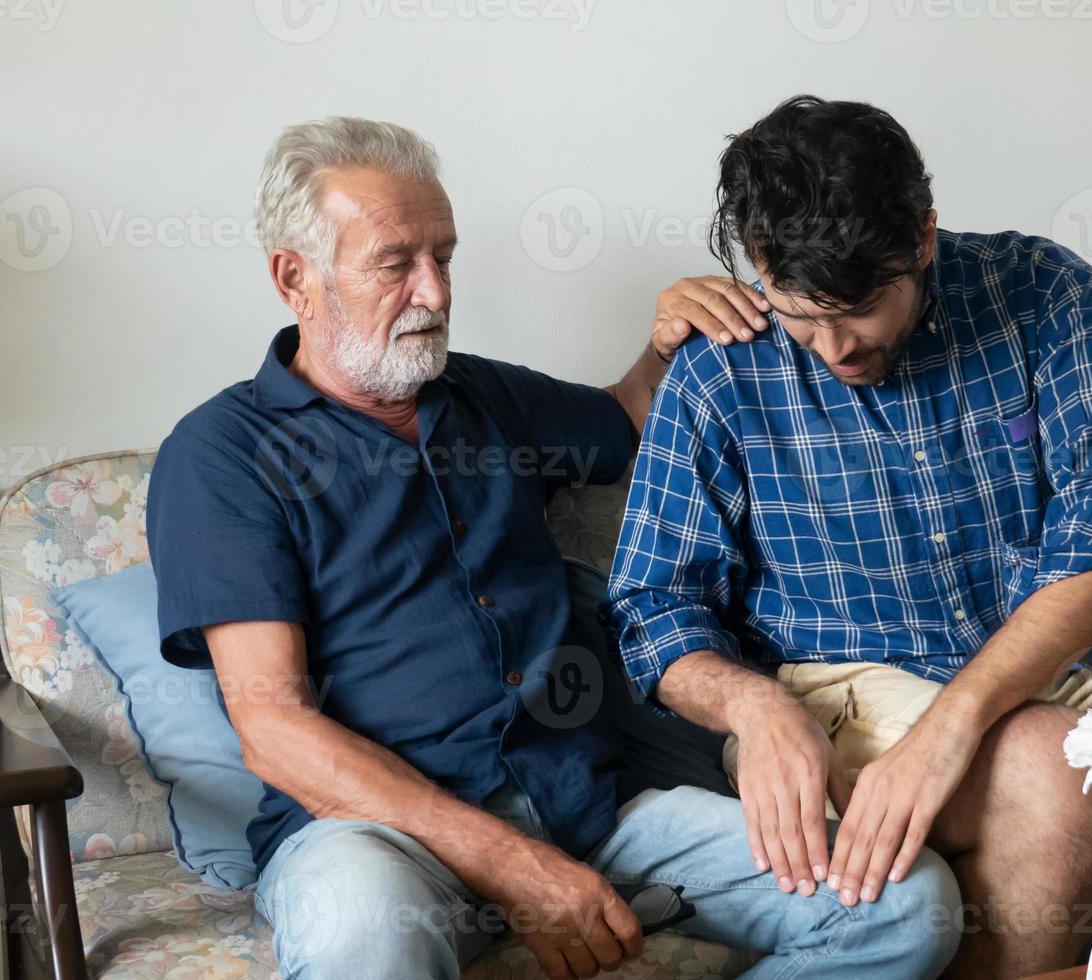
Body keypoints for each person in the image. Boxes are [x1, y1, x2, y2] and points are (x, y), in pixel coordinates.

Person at [147, 116, 960, 980]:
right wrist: (510, 864)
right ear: (295, 279)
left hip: (586, 810)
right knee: (365, 941)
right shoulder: (224, 455)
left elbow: (632, 416)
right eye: (396, 263)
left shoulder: (484, 397)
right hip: (370, 838)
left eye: (444, 257)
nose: (434, 291)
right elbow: (273, 729)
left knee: (906, 905)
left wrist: (669, 337)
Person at [606, 95, 1092, 979]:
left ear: (925, 238)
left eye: (862, 307)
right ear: (759, 265)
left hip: (1070, 676)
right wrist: (755, 710)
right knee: (1050, 769)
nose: (833, 346)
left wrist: (952, 728)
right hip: (846, 689)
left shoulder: (1042, 291)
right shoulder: (719, 365)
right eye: (801, 314)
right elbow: (653, 604)